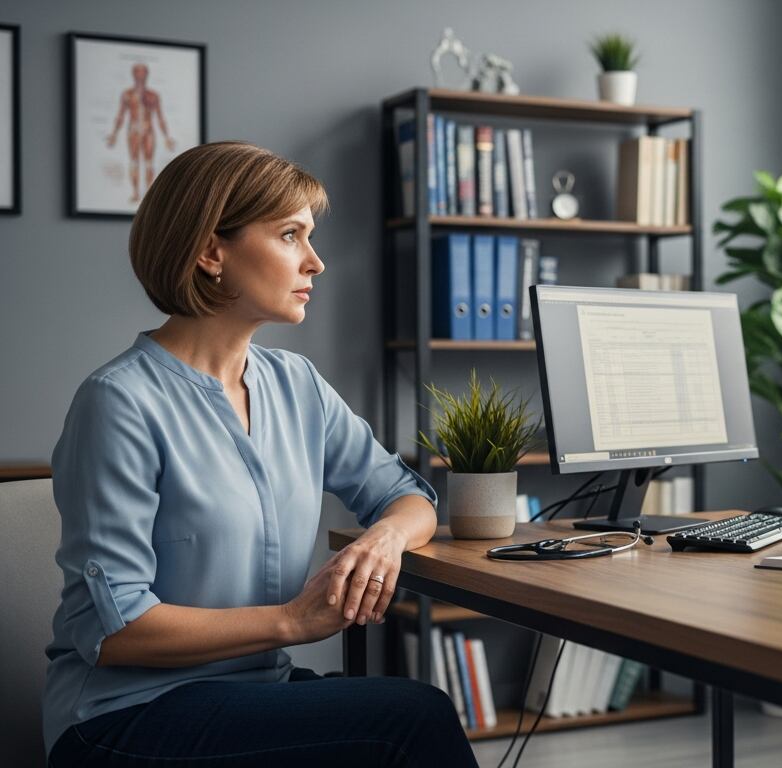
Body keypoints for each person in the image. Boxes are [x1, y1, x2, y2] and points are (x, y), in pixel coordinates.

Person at [43, 141, 477, 767]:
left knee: (401, 716)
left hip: (253, 694)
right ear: (210, 251)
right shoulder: (118, 402)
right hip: (125, 717)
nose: (316, 262)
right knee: (412, 719)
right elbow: (114, 630)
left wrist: (383, 539)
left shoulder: (295, 383)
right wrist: (293, 622)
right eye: (290, 235)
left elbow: (408, 497)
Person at [105, 63, 177, 203]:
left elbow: (160, 116)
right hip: (134, 130)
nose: (140, 75)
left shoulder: (153, 95)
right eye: (137, 72)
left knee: (149, 162)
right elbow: (121, 115)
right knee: (134, 162)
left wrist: (167, 137)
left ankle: (148, 195)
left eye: (143, 72)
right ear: (133, 74)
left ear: (146, 75)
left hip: (148, 129)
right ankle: (136, 193)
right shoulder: (127, 94)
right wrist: (114, 134)